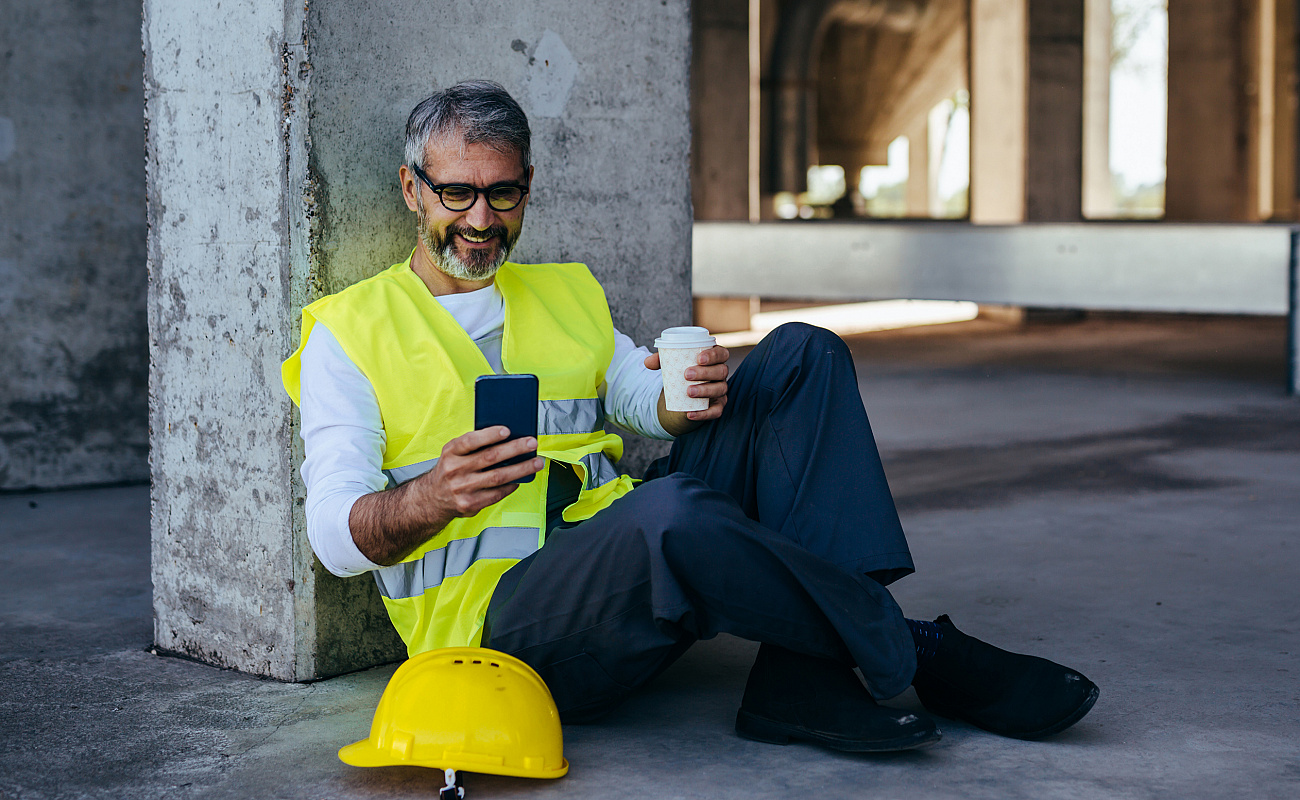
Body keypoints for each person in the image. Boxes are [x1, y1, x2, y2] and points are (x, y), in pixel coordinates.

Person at [281, 80, 1098, 752]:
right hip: (508, 635)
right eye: (456, 192)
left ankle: (800, 682)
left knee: (803, 354)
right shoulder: (351, 333)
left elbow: (638, 395)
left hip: (635, 559)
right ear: (411, 188)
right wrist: (430, 496)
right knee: (669, 511)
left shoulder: (564, 291)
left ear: (527, 187)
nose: (481, 219)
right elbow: (333, 538)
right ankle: (910, 646)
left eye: (502, 192)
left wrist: (682, 396)